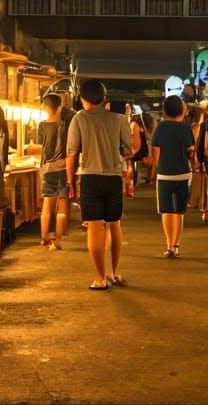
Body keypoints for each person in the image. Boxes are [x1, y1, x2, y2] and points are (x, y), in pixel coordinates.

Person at [66, 79, 133, 290]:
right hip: (114, 178)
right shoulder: (120, 119)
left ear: (82, 99)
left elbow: (71, 153)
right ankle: (114, 272)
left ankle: (99, 277)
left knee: (95, 227)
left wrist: (71, 182)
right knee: (114, 224)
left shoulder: (79, 119)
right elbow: (130, 150)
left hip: (90, 177)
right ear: (105, 98)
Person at [149, 94, 194, 258]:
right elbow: (191, 150)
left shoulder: (160, 127)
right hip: (183, 173)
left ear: (165, 111)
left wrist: (154, 171)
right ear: (182, 110)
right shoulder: (185, 127)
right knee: (179, 211)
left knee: (167, 210)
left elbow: (156, 152)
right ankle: (176, 244)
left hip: (164, 174)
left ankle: (169, 245)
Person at [32, 93, 70, 249]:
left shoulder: (42, 126)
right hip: (63, 168)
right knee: (62, 206)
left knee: (47, 205)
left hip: (47, 170)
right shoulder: (66, 126)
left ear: (46, 107)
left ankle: (44, 238)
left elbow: (38, 147)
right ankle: (58, 240)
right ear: (59, 106)